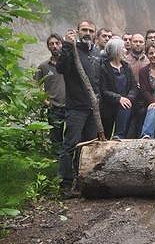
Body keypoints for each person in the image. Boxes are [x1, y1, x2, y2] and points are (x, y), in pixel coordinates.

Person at [56, 19, 100, 195]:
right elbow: (61, 68)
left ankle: (82, 181)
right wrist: (67, 46)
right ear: (77, 31)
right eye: (84, 30)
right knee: (70, 145)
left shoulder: (95, 53)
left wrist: (98, 100)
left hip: (92, 108)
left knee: (87, 146)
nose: (87, 33)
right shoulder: (72, 50)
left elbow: (98, 80)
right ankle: (65, 185)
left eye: (90, 30)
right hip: (76, 107)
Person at [99, 38, 137, 139]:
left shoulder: (126, 67)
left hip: (125, 106)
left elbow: (134, 86)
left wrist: (129, 98)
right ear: (117, 50)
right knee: (105, 135)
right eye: (123, 48)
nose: (125, 50)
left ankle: (119, 136)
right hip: (108, 106)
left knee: (126, 107)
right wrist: (119, 98)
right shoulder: (104, 67)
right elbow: (103, 90)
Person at [35, 34, 66, 149]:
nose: (54, 46)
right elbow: (35, 86)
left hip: (71, 106)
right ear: (48, 47)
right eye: (51, 44)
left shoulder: (69, 64)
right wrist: (45, 101)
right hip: (54, 107)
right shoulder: (43, 66)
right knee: (56, 138)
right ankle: (56, 162)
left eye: (57, 43)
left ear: (62, 44)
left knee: (72, 137)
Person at [124, 33, 150, 138]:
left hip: (145, 100)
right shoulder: (124, 60)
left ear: (144, 44)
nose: (138, 44)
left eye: (140, 42)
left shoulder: (149, 59)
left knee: (143, 132)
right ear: (131, 43)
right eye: (135, 42)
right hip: (129, 99)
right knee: (128, 131)